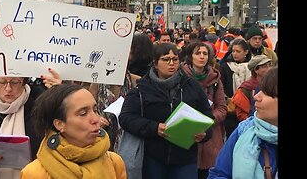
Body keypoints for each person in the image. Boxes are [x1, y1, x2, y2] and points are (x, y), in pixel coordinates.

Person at [119, 43, 214, 179]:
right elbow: (126, 118)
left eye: (175, 59)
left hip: (185, 159)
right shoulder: (142, 89)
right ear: (155, 63)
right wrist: (154, 127)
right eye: (166, 59)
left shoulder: (191, 86)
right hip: (152, 158)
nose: (171, 63)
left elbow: (207, 117)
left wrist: (204, 134)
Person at [20, 83, 127, 179]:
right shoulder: (35, 173)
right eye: (83, 113)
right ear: (59, 124)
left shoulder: (114, 162)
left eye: (95, 110)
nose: (95, 119)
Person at [208, 66, 278, 179]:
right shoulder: (244, 130)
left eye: (266, 93)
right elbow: (219, 174)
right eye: (260, 90)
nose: (256, 97)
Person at [181, 42, 227, 179]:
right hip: (186, 133)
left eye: (205, 54)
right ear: (190, 57)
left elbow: (222, 108)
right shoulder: (181, 77)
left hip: (210, 136)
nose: (202, 57)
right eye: (198, 53)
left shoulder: (215, 79)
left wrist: (207, 121)